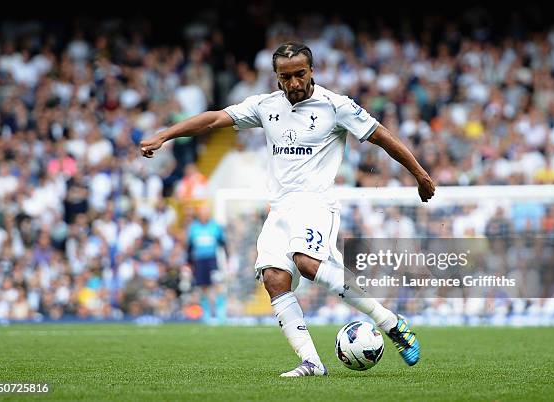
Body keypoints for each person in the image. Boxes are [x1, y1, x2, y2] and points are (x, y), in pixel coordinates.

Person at [140, 42, 435, 377]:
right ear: (276, 77)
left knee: (307, 263)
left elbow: (381, 136)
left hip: (315, 202)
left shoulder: (335, 106)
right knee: (274, 279)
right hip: (279, 208)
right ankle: (312, 362)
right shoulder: (266, 106)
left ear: (312, 71)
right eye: (286, 77)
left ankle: (392, 324)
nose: (294, 83)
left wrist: (420, 175)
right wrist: (165, 136)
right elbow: (213, 121)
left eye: (300, 74)